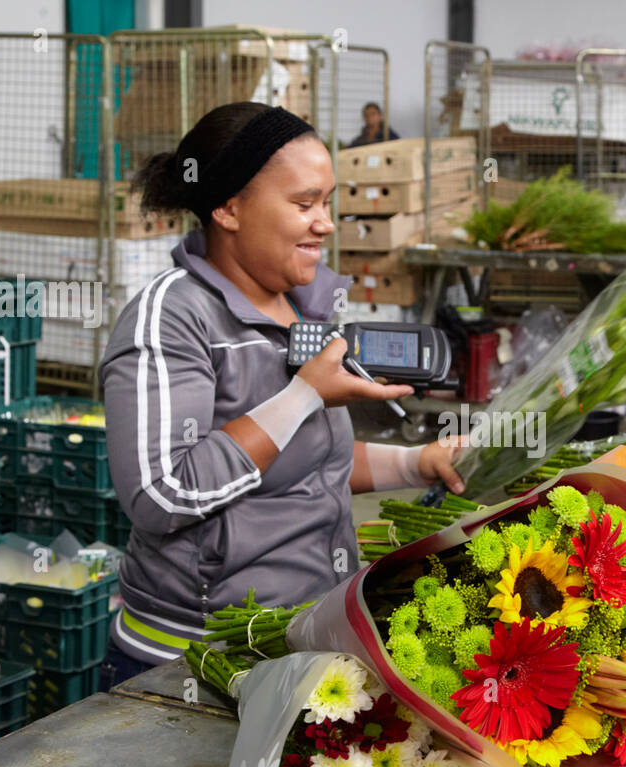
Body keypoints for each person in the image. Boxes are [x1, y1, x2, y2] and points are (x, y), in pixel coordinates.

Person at [97, 103, 464, 687]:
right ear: (227, 207)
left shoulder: (301, 308)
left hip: (298, 636)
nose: (325, 223)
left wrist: (418, 464)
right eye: (303, 204)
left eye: (328, 203)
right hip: (193, 661)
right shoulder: (172, 316)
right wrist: (303, 396)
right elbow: (161, 494)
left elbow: (310, 464)